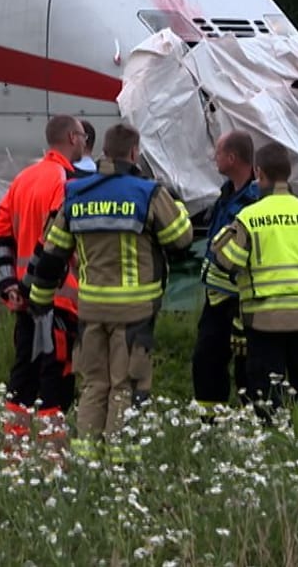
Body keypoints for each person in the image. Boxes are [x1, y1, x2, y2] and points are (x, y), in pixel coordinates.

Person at [26, 123, 193, 459]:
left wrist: (39, 301)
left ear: (103, 152)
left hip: (90, 310)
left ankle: (86, 455)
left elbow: (52, 254)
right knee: (126, 386)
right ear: (134, 153)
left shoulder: (76, 193)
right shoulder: (147, 193)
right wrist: (179, 206)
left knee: (93, 384)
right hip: (134, 311)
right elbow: (181, 239)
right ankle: (121, 460)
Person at [209, 143, 298, 428]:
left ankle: (272, 443)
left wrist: (224, 234)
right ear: (289, 173)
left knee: (267, 393)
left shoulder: (250, 217)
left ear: (259, 172)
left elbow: (227, 261)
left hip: (264, 321)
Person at [0, 114, 88, 451]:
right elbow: (56, 242)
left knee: (22, 379)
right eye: (84, 136)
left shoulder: (24, 179)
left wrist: (9, 286)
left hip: (25, 302)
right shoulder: (67, 183)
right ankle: (53, 458)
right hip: (58, 300)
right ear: (73, 138)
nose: (86, 143)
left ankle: (12, 453)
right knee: (55, 382)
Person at [190, 131, 261, 419]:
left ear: (232, 158)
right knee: (206, 361)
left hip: (241, 300)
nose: (213, 158)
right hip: (218, 298)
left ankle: (252, 423)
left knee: (247, 366)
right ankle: (210, 422)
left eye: (218, 153)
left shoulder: (253, 201)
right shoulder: (227, 195)